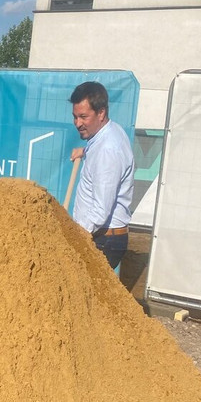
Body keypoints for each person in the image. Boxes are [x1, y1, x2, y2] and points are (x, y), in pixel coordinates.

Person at [69, 81, 135, 269]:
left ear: (101, 113)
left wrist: (73, 235)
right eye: (75, 117)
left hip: (103, 240)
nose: (78, 123)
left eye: (83, 117)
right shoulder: (108, 133)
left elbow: (100, 210)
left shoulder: (107, 149)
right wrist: (85, 152)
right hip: (103, 237)